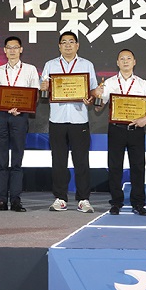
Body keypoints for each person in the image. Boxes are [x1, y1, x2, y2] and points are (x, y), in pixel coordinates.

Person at [94, 49, 146, 216]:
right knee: (115, 167)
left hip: (136, 129)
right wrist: (98, 97)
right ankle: (116, 202)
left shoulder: (142, 84)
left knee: (138, 167)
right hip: (116, 129)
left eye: (129, 58)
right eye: (122, 59)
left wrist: (145, 118)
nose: (125, 61)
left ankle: (138, 203)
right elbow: (98, 108)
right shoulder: (109, 83)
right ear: (117, 63)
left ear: (134, 62)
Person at [40, 31, 98, 213]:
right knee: (58, 161)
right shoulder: (50, 65)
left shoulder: (87, 65)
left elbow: (93, 90)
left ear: (77, 45)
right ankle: (60, 198)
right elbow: (43, 89)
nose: (67, 45)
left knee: (81, 161)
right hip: (57, 119)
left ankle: (83, 199)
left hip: (79, 119)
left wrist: (90, 98)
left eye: (71, 42)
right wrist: (43, 87)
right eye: (64, 42)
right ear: (59, 46)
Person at [0, 36, 40, 213]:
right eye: (9, 47)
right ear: (4, 50)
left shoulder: (30, 70)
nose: (12, 51)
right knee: (1, 159)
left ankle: (16, 199)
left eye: (15, 47)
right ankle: (1, 199)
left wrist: (21, 108)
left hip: (20, 117)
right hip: (1, 116)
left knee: (17, 159)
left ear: (21, 49)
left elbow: (35, 95)